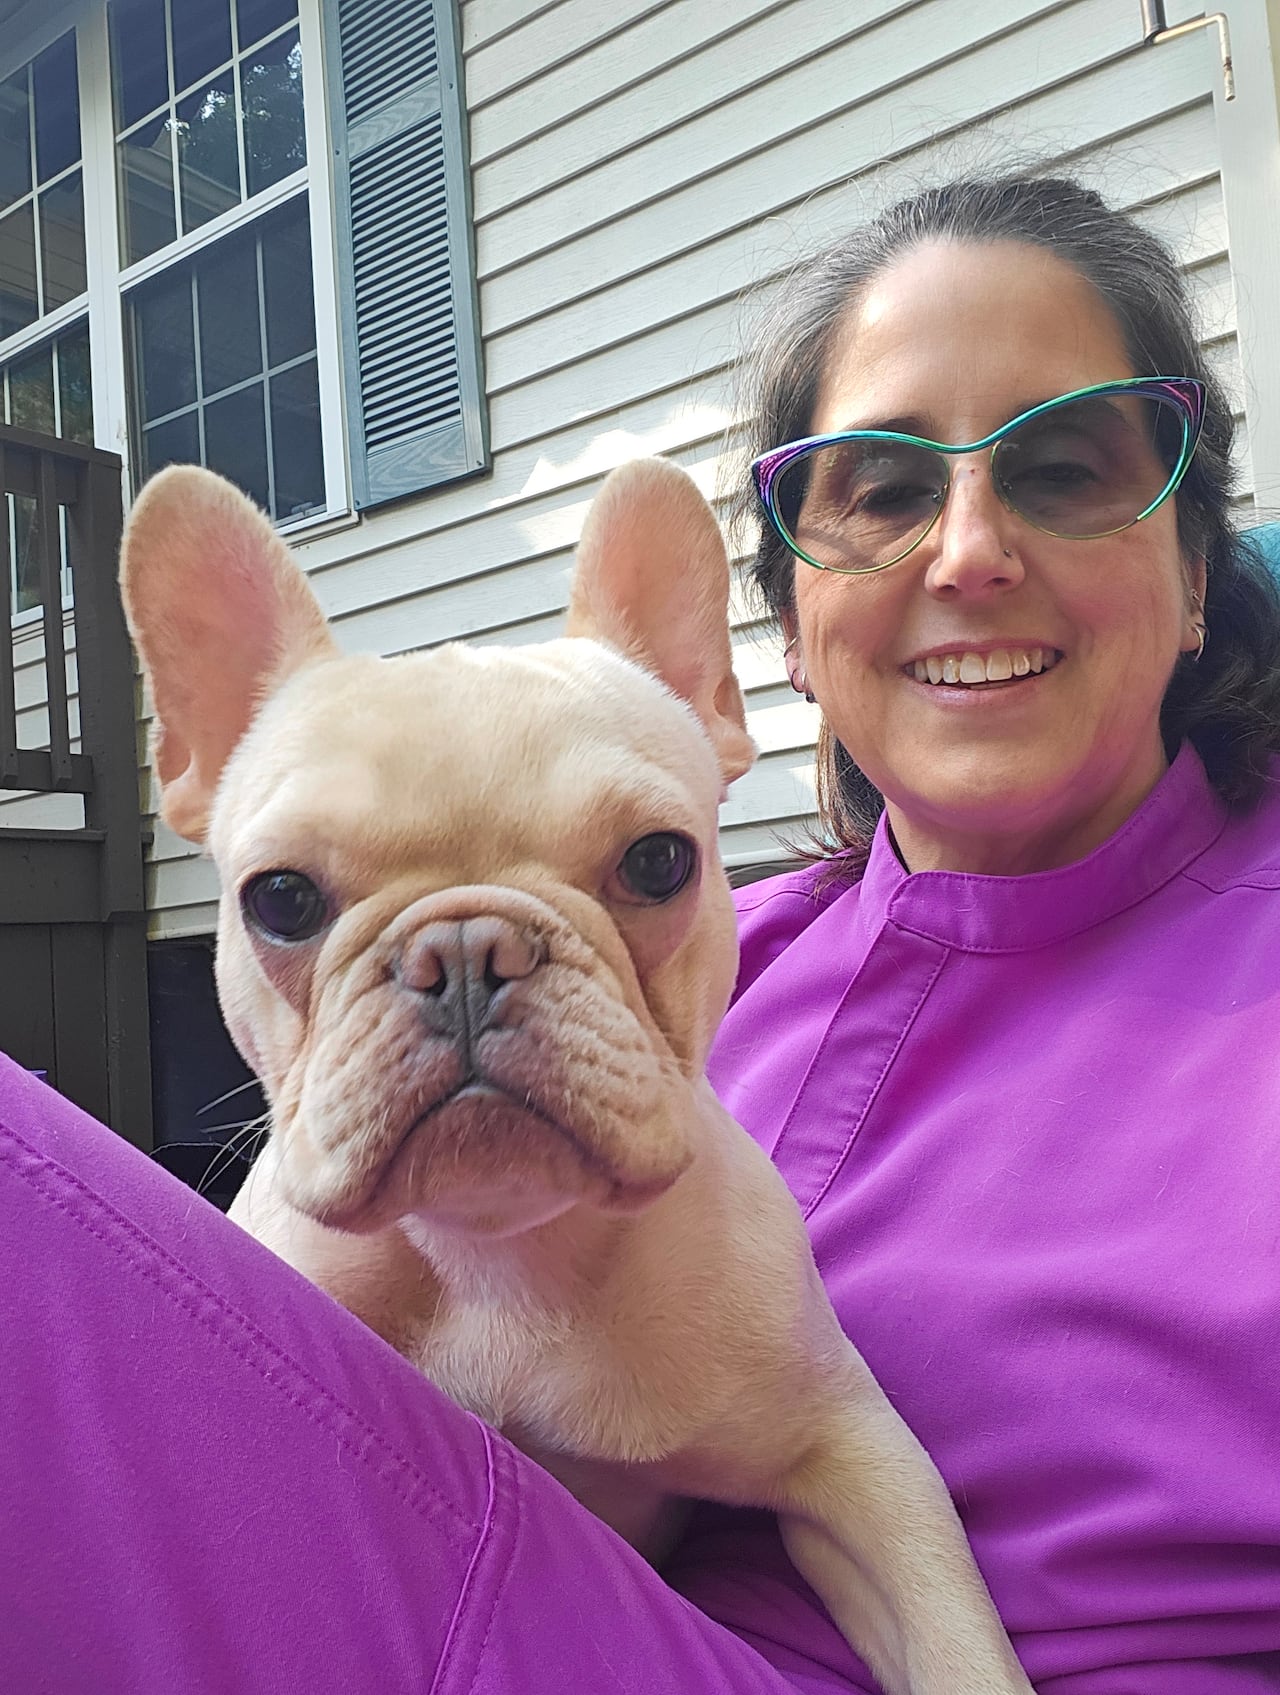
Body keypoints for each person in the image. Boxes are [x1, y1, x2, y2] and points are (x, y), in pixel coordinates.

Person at [3, 174, 1278, 1694]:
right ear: (781, 634)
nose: (969, 552)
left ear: (1200, 566)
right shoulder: (772, 946)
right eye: (882, 492)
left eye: (1064, 469)